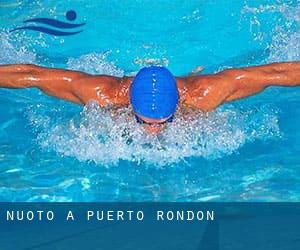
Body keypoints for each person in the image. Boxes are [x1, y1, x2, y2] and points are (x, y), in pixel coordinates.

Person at [0, 62, 299, 134]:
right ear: (130, 105)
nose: (153, 131)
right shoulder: (101, 93)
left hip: (191, 84)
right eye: (143, 121)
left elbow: (273, 74)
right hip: (117, 85)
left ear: (176, 108)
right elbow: (31, 75)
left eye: (163, 122)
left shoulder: (204, 94)